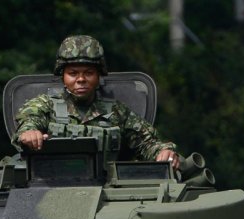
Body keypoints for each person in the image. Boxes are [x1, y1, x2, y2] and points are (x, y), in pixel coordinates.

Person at [14, 35, 180, 168]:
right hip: (51, 186)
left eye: (88, 73)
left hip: (105, 190)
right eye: (73, 73)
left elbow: (147, 143)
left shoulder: (117, 112)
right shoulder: (46, 105)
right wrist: (30, 133)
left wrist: (163, 152)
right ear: (63, 77)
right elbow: (28, 122)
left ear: (98, 76)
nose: (81, 79)